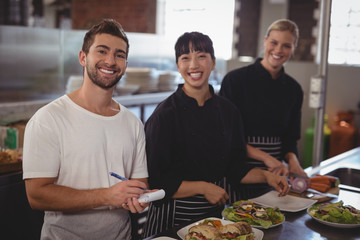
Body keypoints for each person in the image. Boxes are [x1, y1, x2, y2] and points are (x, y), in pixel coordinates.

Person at [142, 31, 289, 237]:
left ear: (213, 62)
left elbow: (236, 169)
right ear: (178, 65)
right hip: (172, 218)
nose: (193, 65)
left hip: (215, 218)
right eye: (185, 58)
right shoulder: (164, 115)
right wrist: (203, 187)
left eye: (201, 56)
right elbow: (157, 182)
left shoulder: (228, 111)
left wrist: (267, 176)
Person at [22, 19, 149, 239]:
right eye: (102, 51)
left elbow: (140, 184)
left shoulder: (133, 123)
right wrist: (107, 196)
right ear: (83, 57)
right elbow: (37, 196)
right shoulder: (48, 119)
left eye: (119, 55)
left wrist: (140, 197)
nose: (110, 61)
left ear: (125, 63)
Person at [219, 19, 307, 178]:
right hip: (238, 173)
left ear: (293, 48)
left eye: (287, 45)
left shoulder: (294, 90)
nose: (278, 50)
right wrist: (266, 158)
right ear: (265, 41)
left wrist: (293, 161)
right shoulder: (235, 80)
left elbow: (290, 139)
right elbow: (226, 135)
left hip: (276, 174)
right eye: (274, 42)